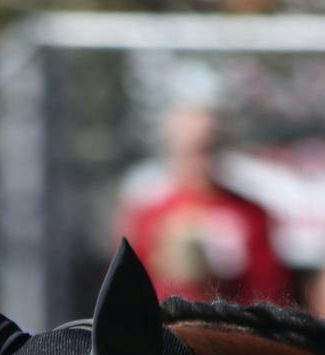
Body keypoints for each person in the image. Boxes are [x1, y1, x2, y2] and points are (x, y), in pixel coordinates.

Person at [120, 104, 289, 306]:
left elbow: (270, 289)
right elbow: (128, 288)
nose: (199, 159)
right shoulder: (149, 217)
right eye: (190, 149)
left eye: (208, 147)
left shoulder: (251, 215)